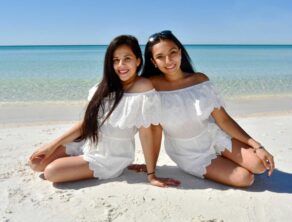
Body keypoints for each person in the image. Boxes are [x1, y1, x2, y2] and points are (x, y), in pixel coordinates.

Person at [28, 35, 180, 188]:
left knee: (51, 172)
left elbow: (146, 132)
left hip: (110, 155)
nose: (121, 65)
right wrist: (51, 145)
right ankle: (75, 159)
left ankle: (76, 164)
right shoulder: (105, 86)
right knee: (35, 163)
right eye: (116, 60)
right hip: (88, 142)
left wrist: (151, 174)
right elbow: (87, 123)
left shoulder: (143, 87)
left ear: (138, 61)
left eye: (127, 58)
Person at [139, 30, 275, 188]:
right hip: (190, 153)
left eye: (173, 52)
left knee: (259, 165)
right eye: (160, 56)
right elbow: (153, 131)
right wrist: (151, 172)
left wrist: (257, 145)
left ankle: (227, 157)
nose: (168, 60)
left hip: (214, 136)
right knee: (245, 178)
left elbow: (223, 119)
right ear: (153, 62)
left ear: (180, 53)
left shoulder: (199, 80)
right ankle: (225, 162)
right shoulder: (151, 88)